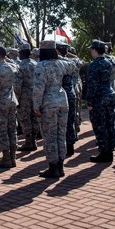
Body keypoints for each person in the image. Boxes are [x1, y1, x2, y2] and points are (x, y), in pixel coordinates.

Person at [34, 40, 76, 178]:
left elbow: (38, 89)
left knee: (50, 136)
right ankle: (60, 166)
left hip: (48, 102)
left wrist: (36, 106)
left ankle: (53, 167)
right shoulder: (62, 63)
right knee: (60, 134)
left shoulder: (41, 66)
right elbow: (76, 64)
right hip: (62, 100)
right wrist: (62, 55)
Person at [0, 46, 21, 168]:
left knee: (1, 131)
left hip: (0, 104)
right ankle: (13, 157)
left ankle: (6, 158)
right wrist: (6, 58)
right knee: (12, 129)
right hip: (11, 102)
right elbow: (17, 66)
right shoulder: (11, 67)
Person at [83, 40, 115, 165]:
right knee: (110, 123)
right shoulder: (110, 62)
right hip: (110, 94)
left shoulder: (93, 65)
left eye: (91, 49)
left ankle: (104, 152)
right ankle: (110, 151)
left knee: (100, 125)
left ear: (95, 50)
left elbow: (92, 86)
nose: (90, 51)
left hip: (99, 98)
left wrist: (89, 102)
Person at [56, 41, 83, 157]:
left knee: (60, 123)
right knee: (70, 121)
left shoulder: (57, 63)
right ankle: (70, 147)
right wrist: (68, 54)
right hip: (71, 94)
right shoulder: (72, 62)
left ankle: (61, 148)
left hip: (60, 95)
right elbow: (80, 61)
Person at [17, 43, 39, 152]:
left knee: (25, 118)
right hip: (35, 94)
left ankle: (29, 141)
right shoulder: (36, 64)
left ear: (21, 54)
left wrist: (16, 98)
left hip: (24, 96)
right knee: (34, 117)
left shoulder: (20, 66)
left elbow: (17, 85)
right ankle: (33, 139)